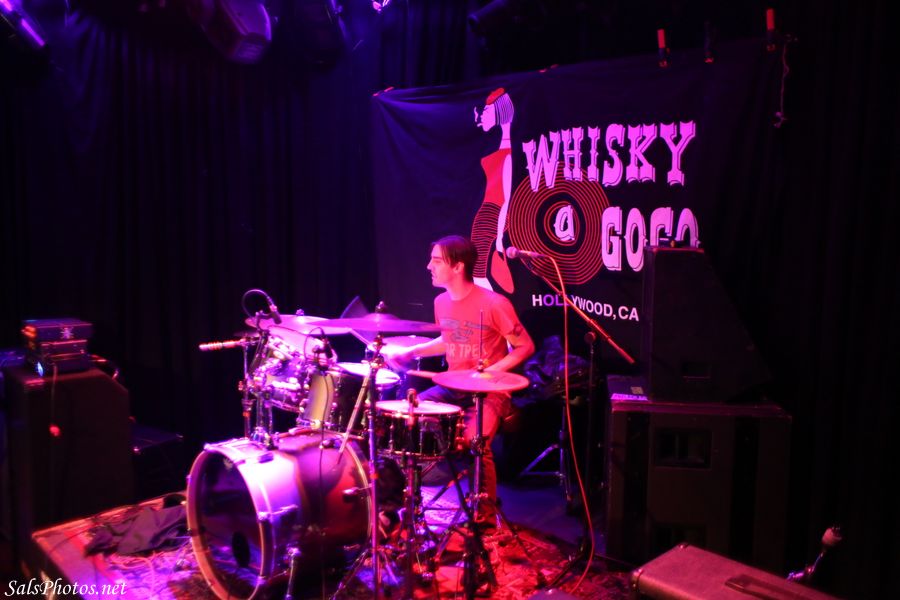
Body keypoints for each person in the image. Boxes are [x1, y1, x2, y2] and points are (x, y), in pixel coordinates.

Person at [385, 235, 534, 530]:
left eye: (436, 261)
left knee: (477, 441)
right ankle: (402, 502)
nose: (429, 266)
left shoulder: (494, 303)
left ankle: (485, 516)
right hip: (452, 388)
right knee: (405, 418)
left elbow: (525, 346)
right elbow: (450, 338)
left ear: (458, 266)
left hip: (488, 392)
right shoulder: (441, 302)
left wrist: (491, 373)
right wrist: (412, 352)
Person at [471, 88, 516, 293]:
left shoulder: (506, 155)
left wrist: (499, 239)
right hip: (489, 213)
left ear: (499, 114)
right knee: (477, 271)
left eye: (487, 112)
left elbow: (506, 199)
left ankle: (494, 310)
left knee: (477, 272)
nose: (482, 115)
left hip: (492, 215)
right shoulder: (501, 148)